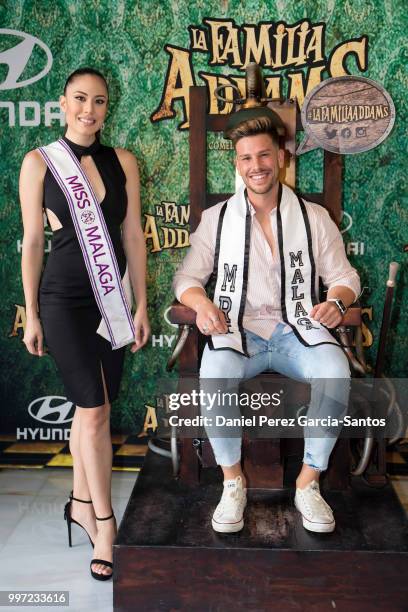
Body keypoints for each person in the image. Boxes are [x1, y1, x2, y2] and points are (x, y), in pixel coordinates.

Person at [173, 109, 360, 535]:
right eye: (245, 158)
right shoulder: (218, 219)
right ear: (237, 164)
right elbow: (187, 277)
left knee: (334, 370)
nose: (255, 166)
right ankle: (233, 481)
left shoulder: (312, 218)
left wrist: (337, 300)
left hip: (296, 329)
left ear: (281, 157)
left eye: (263, 155)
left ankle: (309, 483)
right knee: (215, 371)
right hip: (239, 329)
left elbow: (345, 277)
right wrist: (201, 304)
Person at [19, 67, 150, 580]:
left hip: (111, 299)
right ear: (62, 102)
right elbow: (32, 242)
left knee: (91, 408)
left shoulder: (123, 162)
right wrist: (30, 311)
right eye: (79, 99)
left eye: (98, 101)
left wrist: (140, 303)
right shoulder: (40, 162)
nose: (88, 110)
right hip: (63, 300)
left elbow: (133, 234)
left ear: (106, 107)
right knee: (94, 412)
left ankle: (77, 501)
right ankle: (104, 523)